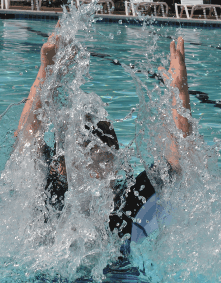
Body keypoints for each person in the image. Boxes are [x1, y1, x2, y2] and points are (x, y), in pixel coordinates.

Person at [13, 27, 192, 246]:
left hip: (116, 280)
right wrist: (46, 71)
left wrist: (179, 91)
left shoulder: (125, 201)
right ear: (63, 165)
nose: (98, 174)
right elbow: (27, 137)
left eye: (106, 161)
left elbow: (176, 160)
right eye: (87, 162)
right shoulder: (52, 193)